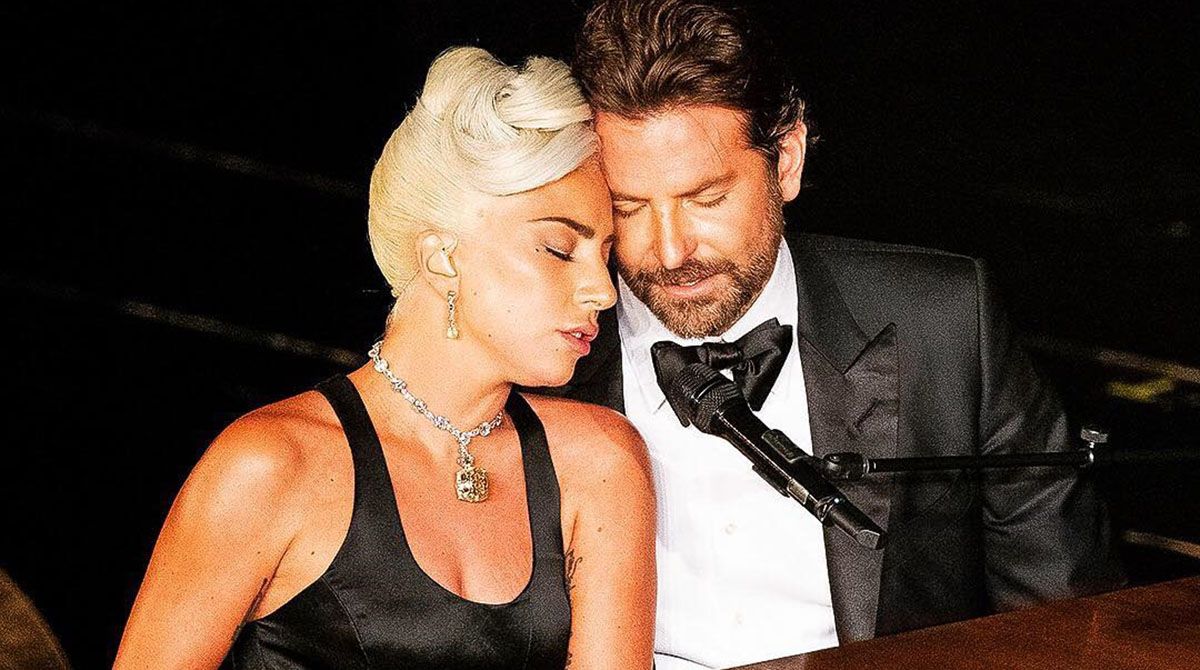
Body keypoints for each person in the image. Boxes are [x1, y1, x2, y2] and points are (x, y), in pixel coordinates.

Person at [555, 1, 1125, 667]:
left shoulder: (944, 322)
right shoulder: (539, 357)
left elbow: (1065, 621)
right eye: (628, 207)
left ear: (787, 160)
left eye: (706, 200)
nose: (671, 250)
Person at [114, 47, 655, 669]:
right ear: (441, 258)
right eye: (559, 249)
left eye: (606, 254)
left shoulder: (600, 463)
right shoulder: (271, 467)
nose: (603, 290)